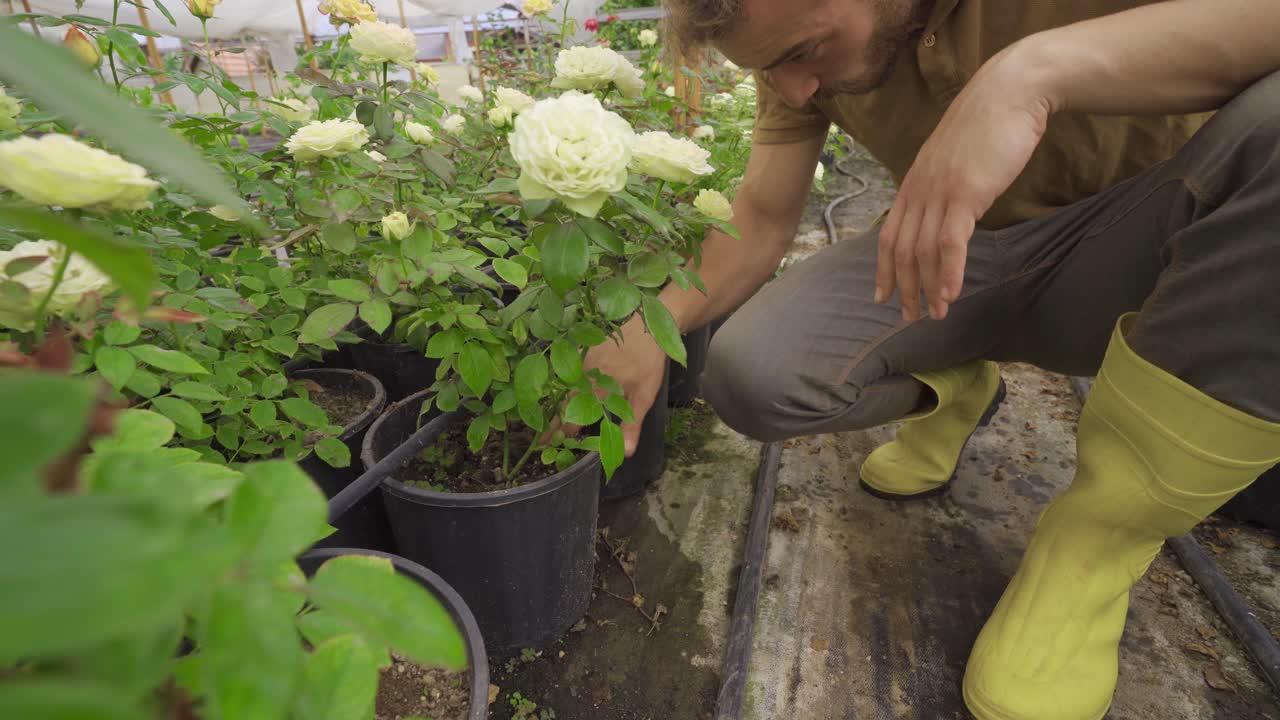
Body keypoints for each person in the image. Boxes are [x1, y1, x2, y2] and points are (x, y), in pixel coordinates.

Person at [582, 1, 1280, 718]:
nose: (794, 89)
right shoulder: (792, 42)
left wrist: (1028, 74)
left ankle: (1098, 543)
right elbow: (761, 215)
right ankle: (957, 388)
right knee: (753, 373)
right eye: (770, 69)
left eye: (804, 51)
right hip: (955, 262)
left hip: (1151, 264)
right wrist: (649, 324)